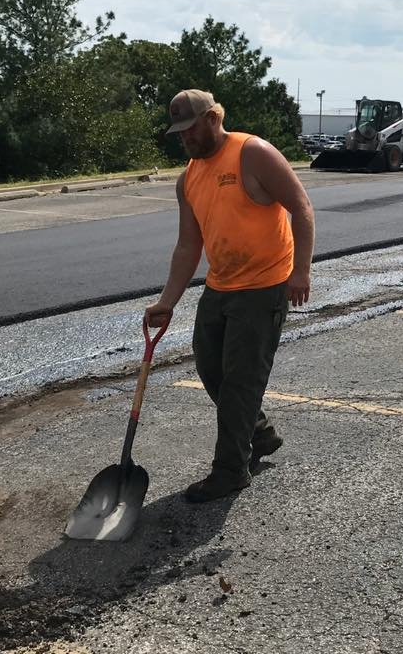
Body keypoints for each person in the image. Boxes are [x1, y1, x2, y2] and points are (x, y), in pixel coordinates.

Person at [144, 89, 315, 503]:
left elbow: (302, 208)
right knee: (211, 369)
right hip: (220, 286)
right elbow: (189, 245)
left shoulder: (252, 153)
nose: (184, 137)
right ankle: (259, 432)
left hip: (264, 287)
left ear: (213, 118)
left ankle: (230, 471)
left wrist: (300, 271)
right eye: (179, 131)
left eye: (190, 128)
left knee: (240, 382)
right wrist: (167, 301)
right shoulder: (189, 178)